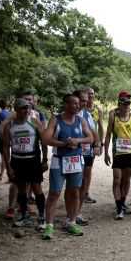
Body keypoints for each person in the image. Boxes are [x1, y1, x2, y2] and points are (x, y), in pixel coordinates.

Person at [42, 94, 93, 239]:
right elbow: (46, 139)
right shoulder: (56, 119)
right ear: (66, 104)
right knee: (54, 193)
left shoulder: (80, 120)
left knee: (74, 192)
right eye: (74, 104)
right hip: (59, 161)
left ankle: (71, 222)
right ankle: (49, 226)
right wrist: (64, 143)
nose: (77, 106)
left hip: (76, 161)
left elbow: (91, 138)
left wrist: (77, 140)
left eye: (78, 104)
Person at [1, 91, 49, 218]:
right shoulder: (10, 125)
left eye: (27, 108)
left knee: (36, 187)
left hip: (32, 160)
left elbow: (44, 141)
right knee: (21, 189)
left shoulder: (34, 122)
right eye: (22, 108)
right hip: (17, 160)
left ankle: (41, 216)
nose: (26, 110)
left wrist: (44, 159)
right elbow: (5, 147)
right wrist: (8, 167)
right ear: (16, 110)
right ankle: (23, 215)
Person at [104, 91, 131, 220]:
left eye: (128, 103)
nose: (126, 105)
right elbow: (108, 134)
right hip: (117, 153)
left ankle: (122, 203)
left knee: (126, 180)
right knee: (117, 179)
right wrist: (106, 152)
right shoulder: (113, 115)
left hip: (130, 153)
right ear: (119, 104)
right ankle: (119, 208)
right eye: (124, 103)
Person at [74, 90, 100, 225]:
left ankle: (77, 212)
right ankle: (71, 212)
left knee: (84, 182)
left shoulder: (87, 115)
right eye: (82, 100)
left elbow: (94, 131)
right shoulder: (64, 116)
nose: (84, 103)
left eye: (85, 101)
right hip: (72, 155)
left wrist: (97, 144)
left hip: (86, 153)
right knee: (74, 184)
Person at [84, 87, 104, 204]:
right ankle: (79, 191)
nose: (91, 96)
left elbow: (101, 127)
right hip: (81, 142)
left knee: (88, 168)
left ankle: (86, 193)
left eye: (92, 94)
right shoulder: (80, 109)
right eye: (88, 94)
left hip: (92, 143)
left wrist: (100, 143)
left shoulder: (97, 110)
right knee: (80, 169)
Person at [0, 99, 10, 182]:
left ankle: (3, 175)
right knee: (8, 156)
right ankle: (4, 174)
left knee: (4, 156)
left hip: (1, 137)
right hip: (10, 137)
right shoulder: (10, 113)